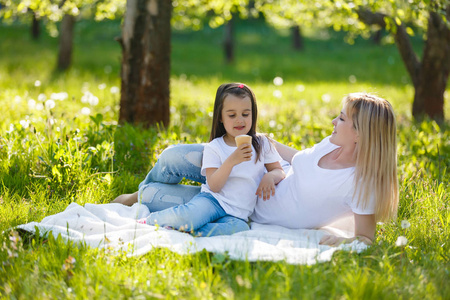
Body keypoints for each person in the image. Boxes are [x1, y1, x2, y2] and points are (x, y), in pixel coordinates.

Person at [113, 92, 399, 246]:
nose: (333, 123)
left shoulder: (361, 184)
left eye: (341, 119)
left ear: (361, 133)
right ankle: (133, 196)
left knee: (156, 197)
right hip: (253, 166)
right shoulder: (331, 144)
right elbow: (300, 159)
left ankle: (140, 197)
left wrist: (340, 240)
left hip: (243, 207)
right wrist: (266, 148)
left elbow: (366, 238)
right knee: (174, 156)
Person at [126, 83, 285, 237]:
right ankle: (152, 221)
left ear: (253, 114)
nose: (240, 120)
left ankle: (190, 230)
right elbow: (214, 186)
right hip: (213, 201)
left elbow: (279, 170)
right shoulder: (215, 147)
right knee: (189, 216)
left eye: (245, 114)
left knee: (240, 228)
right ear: (221, 117)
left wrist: (270, 176)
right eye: (232, 115)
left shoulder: (262, 143)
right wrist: (231, 161)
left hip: (238, 214)